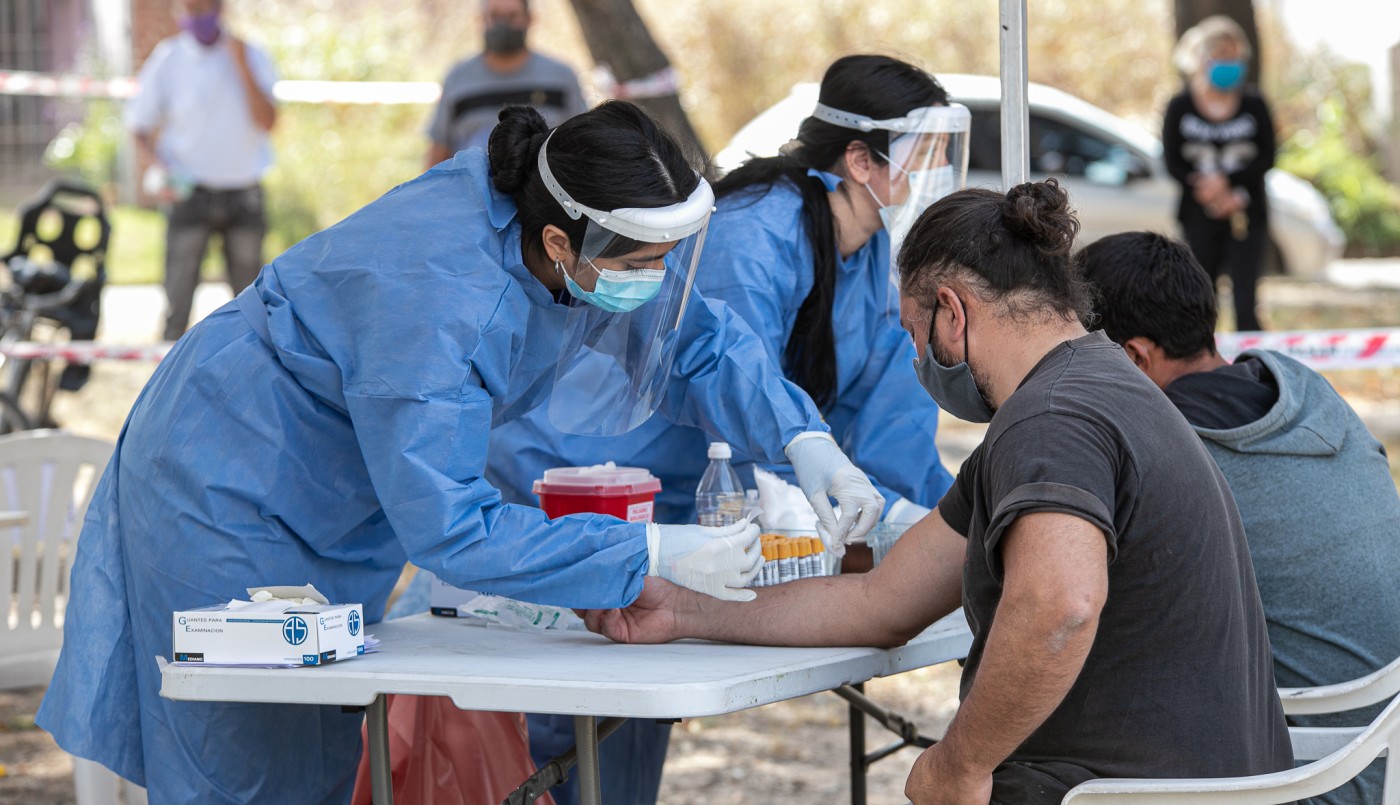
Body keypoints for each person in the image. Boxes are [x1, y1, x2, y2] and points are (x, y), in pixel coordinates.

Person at [36, 100, 886, 801]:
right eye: (646, 260)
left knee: (321, 750)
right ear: (562, 245)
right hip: (225, 470)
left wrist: (803, 436)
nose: (658, 280)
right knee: (250, 757)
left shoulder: (555, 220)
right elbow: (453, 527)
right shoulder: (444, 302)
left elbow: (696, 336)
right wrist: (651, 547)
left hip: (335, 482)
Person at [580, 180, 1294, 804]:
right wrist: (682, 609)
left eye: (913, 335)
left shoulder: (1052, 419)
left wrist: (961, 762)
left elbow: (1060, 602)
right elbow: (881, 600)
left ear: (952, 312)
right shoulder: (1092, 387)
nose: (916, 358)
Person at [455, 54, 970, 803]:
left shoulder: (869, 253)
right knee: (569, 712)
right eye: (927, 152)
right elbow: (734, 384)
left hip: (685, 510)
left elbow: (886, 410)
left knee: (633, 720)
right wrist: (807, 462)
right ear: (861, 159)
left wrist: (927, 520)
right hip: (583, 480)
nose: (938, 171)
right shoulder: (757, 232)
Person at [1077, 230, 1400, 805]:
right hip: (1383, 756)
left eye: (1078, 356)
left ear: (1133, 357)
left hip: (1304, 778)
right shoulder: (1307, 390)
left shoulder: (1158, 450)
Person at [126, 0, 277, 342]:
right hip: (189, 192)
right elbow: (139, 125)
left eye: (203, 8)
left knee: (253, 305)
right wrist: (159, 166)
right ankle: (168, 380)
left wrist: (241, 65)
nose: (197, 17)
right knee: (177, 300)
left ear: (220, 9)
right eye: (190, 9)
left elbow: (268, 121)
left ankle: (254, 381)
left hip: (243, 193)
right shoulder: (170, 59)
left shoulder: (251, 54)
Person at [1163, 14, 1275, 332]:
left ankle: (1251, 371)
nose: (1230, 64)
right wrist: (1205, 188)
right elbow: (1171, 161)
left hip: (1247, 216)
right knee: (1201, 299)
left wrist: (1229, 185)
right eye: (1221, 55)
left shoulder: (1254, 104)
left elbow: (1267, 157)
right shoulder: (1180, 106)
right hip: (1197, 214)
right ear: (1202, 58)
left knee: (1245, 303)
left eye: (1235, 56)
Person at [426, 0, 586, 166]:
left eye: (512, 16)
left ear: (529, 19)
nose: (503, 24)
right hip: (472, 189)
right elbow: (439, 148)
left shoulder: (560, 77)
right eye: (494, 16)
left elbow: (582, 142)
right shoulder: (458, 79)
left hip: (544, 187)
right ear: (482, 19)